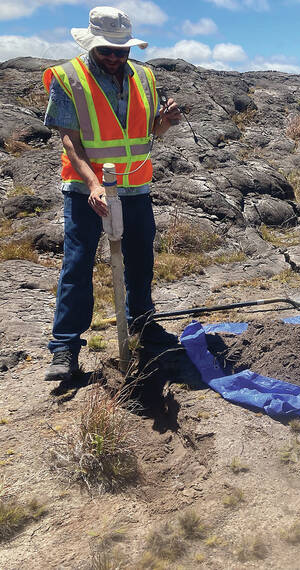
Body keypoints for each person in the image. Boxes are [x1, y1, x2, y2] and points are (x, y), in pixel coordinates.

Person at [43, 6, 182, 382]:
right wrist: (93, 184)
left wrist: (165, 121)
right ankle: (65, 347)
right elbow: (70, 142)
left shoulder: (145, 76)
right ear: (91, 45)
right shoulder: (68, 78)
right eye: (106, 50)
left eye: (121, 50)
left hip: (135, 186)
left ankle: (143, 325)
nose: (115, 57)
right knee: (77, 264)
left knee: (140, 260)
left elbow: (151, 132)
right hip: (84, 189)